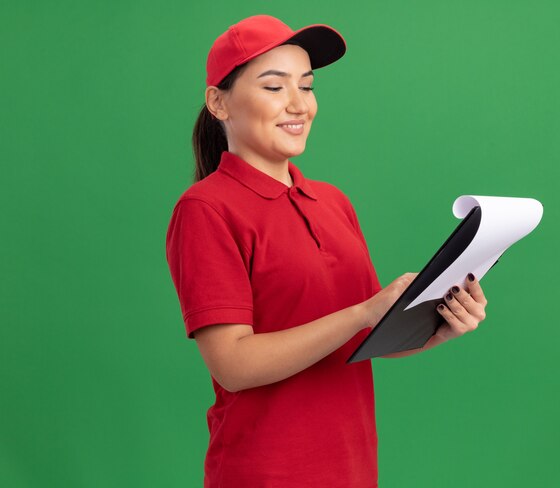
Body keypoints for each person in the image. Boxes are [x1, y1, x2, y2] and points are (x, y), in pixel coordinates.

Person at [165, 14, 488, 488]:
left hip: (351, 468)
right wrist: (362, 312)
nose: (299, 104)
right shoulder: (206, 209)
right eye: (274, 87)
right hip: (265, 473)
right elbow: (233, 365)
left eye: (308, 86)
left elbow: (359, 340)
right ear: (218, 102)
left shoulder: (333, 201)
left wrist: (437, 327)